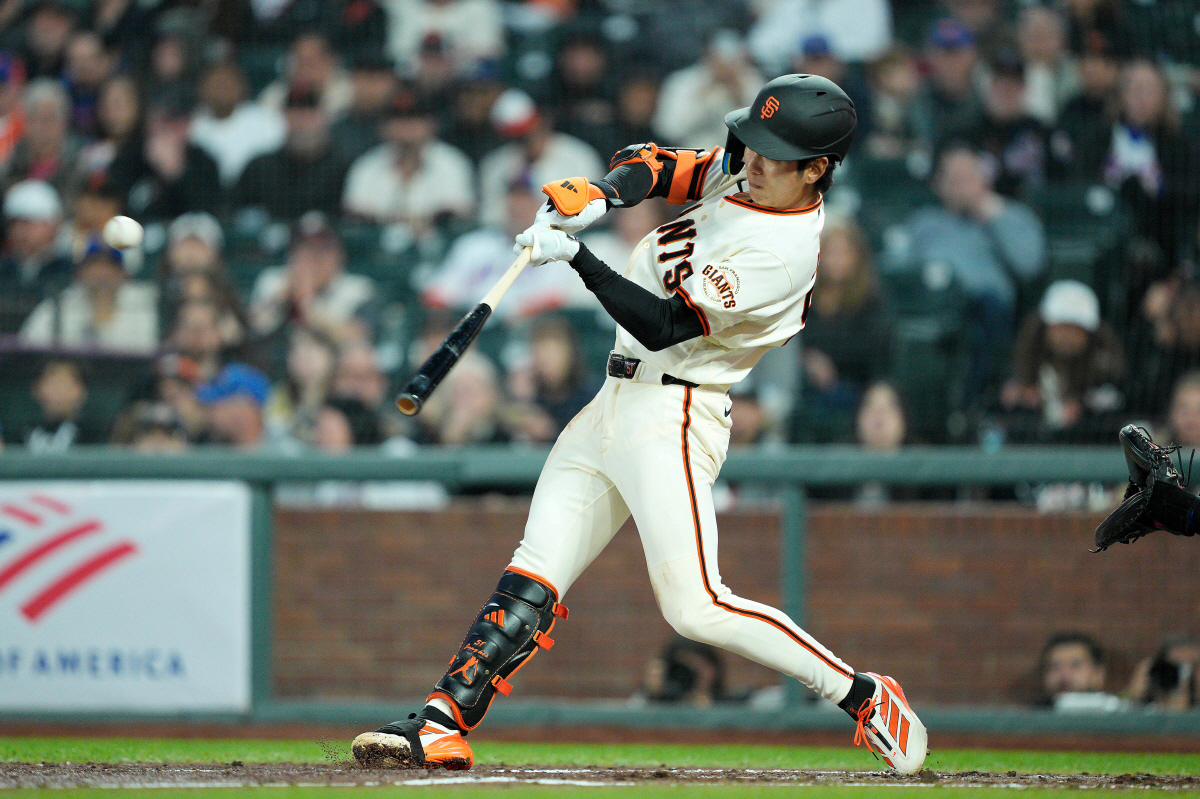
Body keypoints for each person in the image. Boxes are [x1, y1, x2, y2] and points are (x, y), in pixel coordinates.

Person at [351, 73, 927, 775]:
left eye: (777, 155)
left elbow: (662, 325)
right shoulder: (751, 172)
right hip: (613, 401)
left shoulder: (785, 251)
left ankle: (862, 693)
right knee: (534, 569)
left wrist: (578, 257)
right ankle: (445, 718)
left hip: (675, 413)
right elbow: (659, 165)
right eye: (754, 144)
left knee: (697, 606)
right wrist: (600, 195)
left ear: (818, 170)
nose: (753, 160)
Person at [19, 240, 158, 353]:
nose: (102, 273)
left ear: (123, 273)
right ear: (80, 272)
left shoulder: (144, 304)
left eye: (110, 266)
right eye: (94, 266)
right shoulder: (58, 305)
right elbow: (27, 348)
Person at [0, 178, 72, 333]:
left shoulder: (70, 269)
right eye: (15, 223)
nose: (21, 231)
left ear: (53, 224)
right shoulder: (4, 268)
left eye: (29, 223)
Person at [1037, 632, 1121, 711]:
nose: (1064, 675)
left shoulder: (1116, 711)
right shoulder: (1032, 717)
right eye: (1054, 667)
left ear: (1098, 674)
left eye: (1075, 665)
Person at [1126, 634, 1199, 711]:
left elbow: (1183, 705)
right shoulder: (1152, 667)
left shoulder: (1194, 670)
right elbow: (1137, 694)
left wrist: (1186, 678)